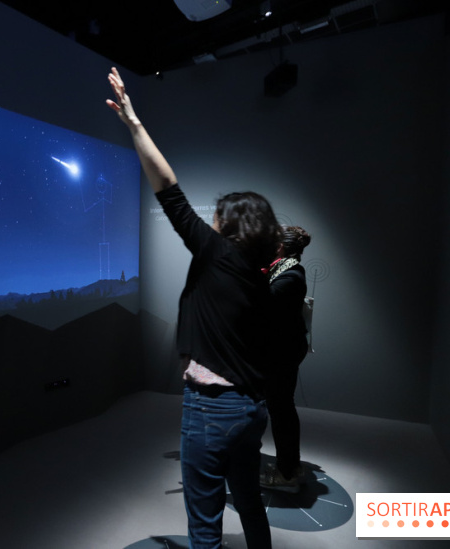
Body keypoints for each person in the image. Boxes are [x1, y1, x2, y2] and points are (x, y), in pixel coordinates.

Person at [106, 67, 280, 549]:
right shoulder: (258, 274)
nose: (213, 222)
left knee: (204, 525)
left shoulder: (217, 254)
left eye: (219, 218)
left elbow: (169, 191)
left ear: (230, 227)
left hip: (213, 410)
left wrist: (134, 124)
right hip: (251, 409)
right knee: (247, 498)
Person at [260, 225, 311, 493]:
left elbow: (261, 302)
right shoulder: (284, 270)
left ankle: (287, 473)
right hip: (281, 351)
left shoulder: (290, 276)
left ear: (280, 247)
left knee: (281, 412)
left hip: (281, 353)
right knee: (282, 410)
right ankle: (290, 465)